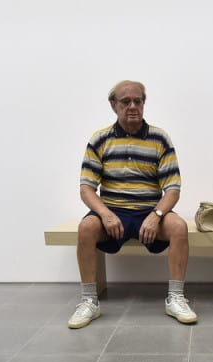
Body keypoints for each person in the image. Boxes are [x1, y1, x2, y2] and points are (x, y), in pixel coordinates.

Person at [67, 80, 198, 328]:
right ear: (113, 105)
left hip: (150, 210)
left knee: (179, 227)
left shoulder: (160, 138)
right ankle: (88, 302)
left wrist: (157, 213)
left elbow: (172, 188)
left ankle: (176, 298)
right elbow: (86, 188)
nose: (132, 106)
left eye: (138, 101)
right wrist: (105, 214)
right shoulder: (100, 139)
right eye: (125, 101)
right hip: (112, 211)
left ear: (144, 103)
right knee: (86, 229)